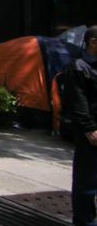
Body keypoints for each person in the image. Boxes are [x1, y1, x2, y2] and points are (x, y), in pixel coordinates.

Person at [65, 26, 97, 226]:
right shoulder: (79, 66)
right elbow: (78, 101)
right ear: (93, 42)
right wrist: (89, 128)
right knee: (87, 179)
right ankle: (84, 221)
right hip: (91, 131)